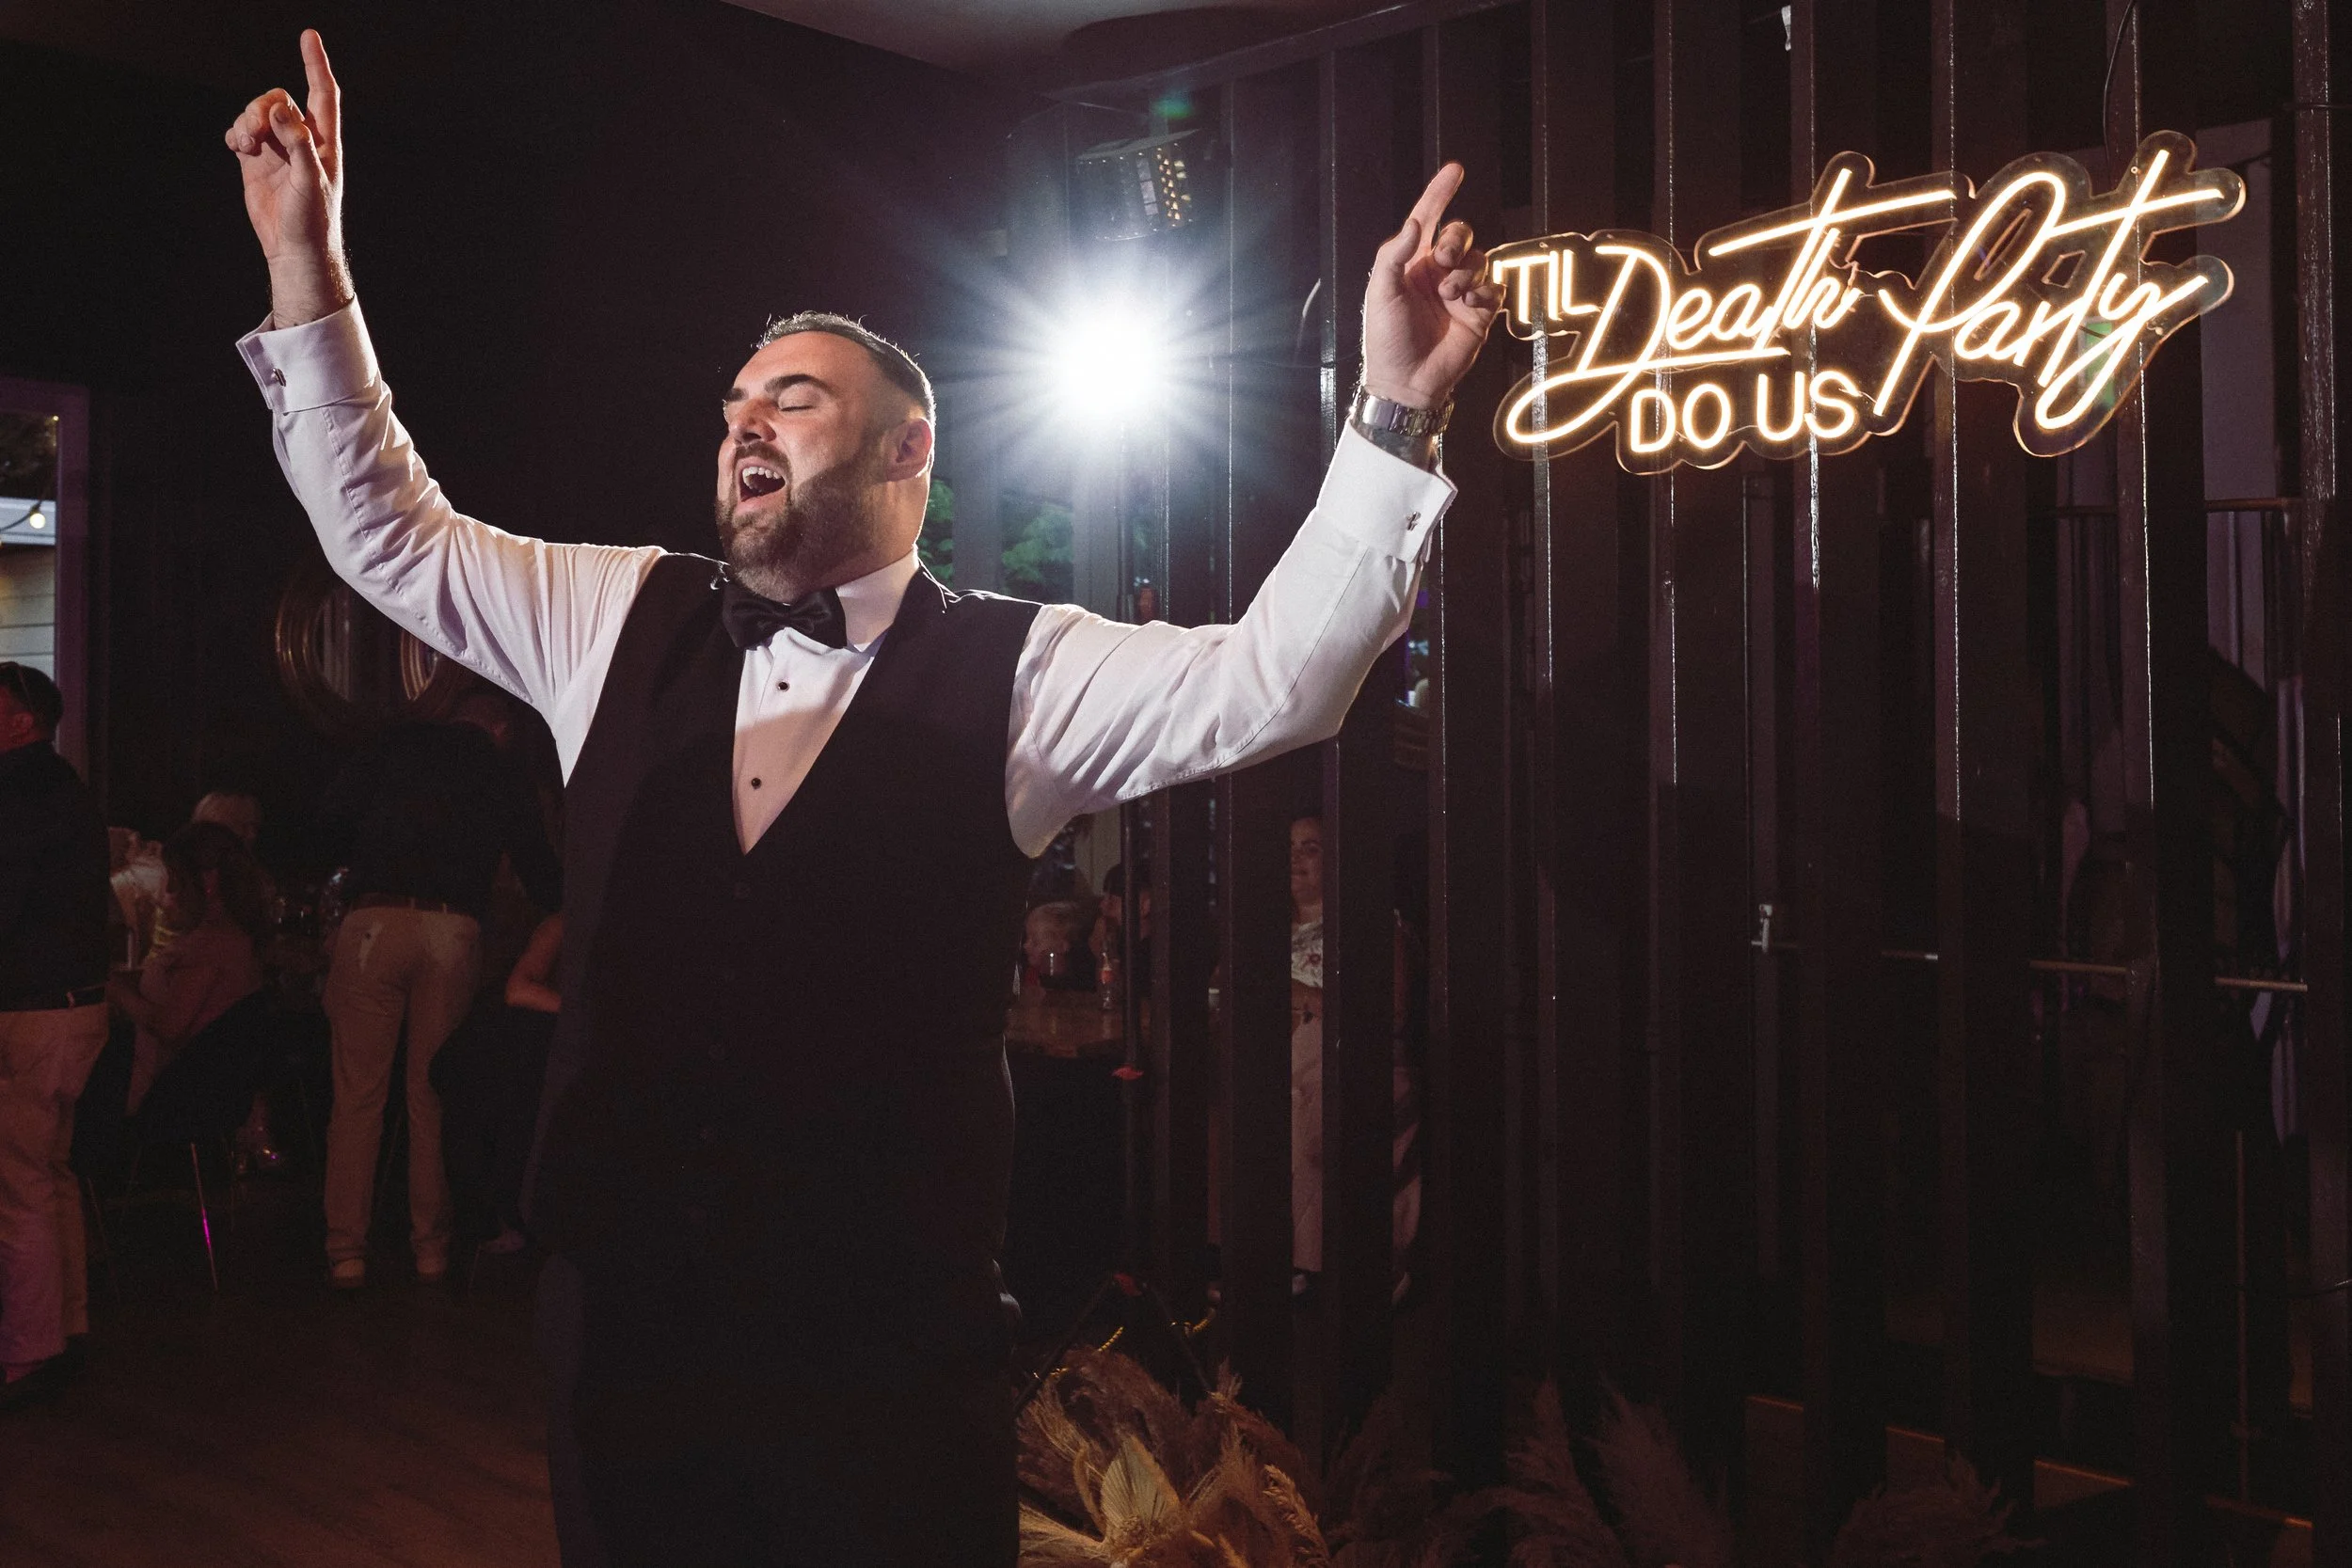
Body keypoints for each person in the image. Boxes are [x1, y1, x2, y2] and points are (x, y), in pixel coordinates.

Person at [225, 29, 1498, 1564]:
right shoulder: (618, 613)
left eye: (795, 397)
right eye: (735, 402)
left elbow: (1279, 676)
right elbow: (390, 534)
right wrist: (312, 264)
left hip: (885, 1362)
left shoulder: (1024, 670)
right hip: (622, 1335)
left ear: (910, 445)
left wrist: (1392, 414)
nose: (744, 418)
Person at [313, 689, 561, 1288]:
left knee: (358, 1098)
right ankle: (432, 1249)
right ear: (500, 727)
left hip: (375, 920)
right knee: (431, 1094)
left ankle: (346, 1252)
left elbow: (327, 822)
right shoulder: (499, 767)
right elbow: (540, 869)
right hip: (453, 927)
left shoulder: (391, 746)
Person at [0, 662, 111, 1408]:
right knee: (53, 1171)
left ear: (20, 720)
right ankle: (69, 1328)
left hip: (29, 1009)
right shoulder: (68, 789)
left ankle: (29, 1352)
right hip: (81, 1007)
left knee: (18, 1185)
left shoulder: (12, 794)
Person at [114, 824, 268, 1115]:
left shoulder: (211, 944)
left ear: (207, 881)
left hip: (177, 1095)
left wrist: (113, 988)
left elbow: (168, 1025)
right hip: (210, 1089)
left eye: (175, 880)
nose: (167, 894)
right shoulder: (236, 934)